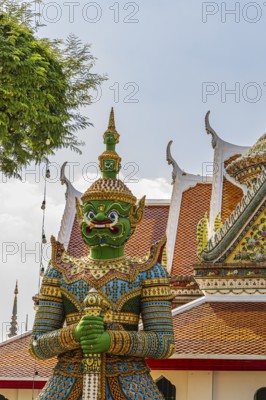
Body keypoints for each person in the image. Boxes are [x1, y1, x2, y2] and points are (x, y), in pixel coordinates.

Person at [30, 109, 174, 399]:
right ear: (82, 217)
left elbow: (164, 343)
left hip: (131, 384)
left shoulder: (147, 270)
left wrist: (112, 340)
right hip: (66, 383)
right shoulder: (61, 270)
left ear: (134, 218)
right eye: (92, 213)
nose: (100, 220)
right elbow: (37, 345)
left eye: (112, 213)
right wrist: (74, 334)